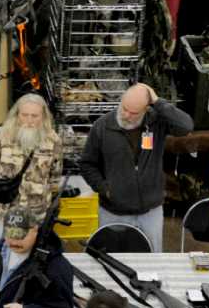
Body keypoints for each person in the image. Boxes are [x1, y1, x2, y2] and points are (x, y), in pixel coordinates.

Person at [77, 82, 192, 245]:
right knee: (112, 257)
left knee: (150, 259)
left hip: (150, 212)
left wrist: (158, 101)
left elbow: (186, 126)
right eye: (124, 108)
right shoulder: (102, 126)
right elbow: (87, 164)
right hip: (113, 212)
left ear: (146, 109)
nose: (126, 115)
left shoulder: (156, 122)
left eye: (134, 113)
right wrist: (105, 188)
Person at [0, 95, 66, 251]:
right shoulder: (0, 137)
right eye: (25, 115)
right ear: (17, 115)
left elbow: (54, 178)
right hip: (1, 213)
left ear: (43, 116)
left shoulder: (53, 141)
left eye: (34, 116)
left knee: (28, 261)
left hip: (33, 217)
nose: (29, 120)